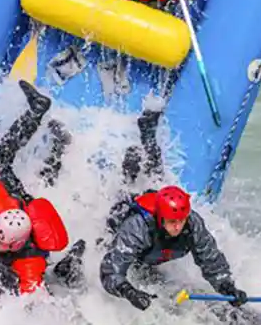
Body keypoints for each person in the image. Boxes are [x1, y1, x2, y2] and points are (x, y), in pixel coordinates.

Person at [99, 106, 248, 311]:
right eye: (172, 222)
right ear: (161, 219)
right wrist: (129, 291)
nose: (178, 226)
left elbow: (211, 261)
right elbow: (110, 272)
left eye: (181, 220)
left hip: (151, 246)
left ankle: (148, 133)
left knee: (156, 177)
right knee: (126, 190)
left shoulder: (192, 223)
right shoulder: (137, 228)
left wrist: (228, 288)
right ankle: (130, 168)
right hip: (119, 224)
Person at [0, 80, 84, 296]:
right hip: (17, 200)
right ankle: (39, 114)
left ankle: (58, 146)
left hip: (25, 257)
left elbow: (31, 303)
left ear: (15, 245)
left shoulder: (30, 266)